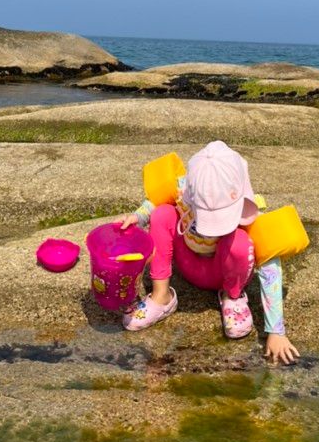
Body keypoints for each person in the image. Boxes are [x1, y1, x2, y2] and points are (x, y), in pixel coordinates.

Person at [118, 140, 299, 365]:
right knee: (163, 214)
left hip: (222, 276)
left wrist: (276, 331)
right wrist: (137, 217)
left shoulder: (247, 208)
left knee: (240, 242)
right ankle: (161, 295)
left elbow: (271, 263)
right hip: (188, 262)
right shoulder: (182, 188)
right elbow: (153, 203)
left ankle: (232, 298)